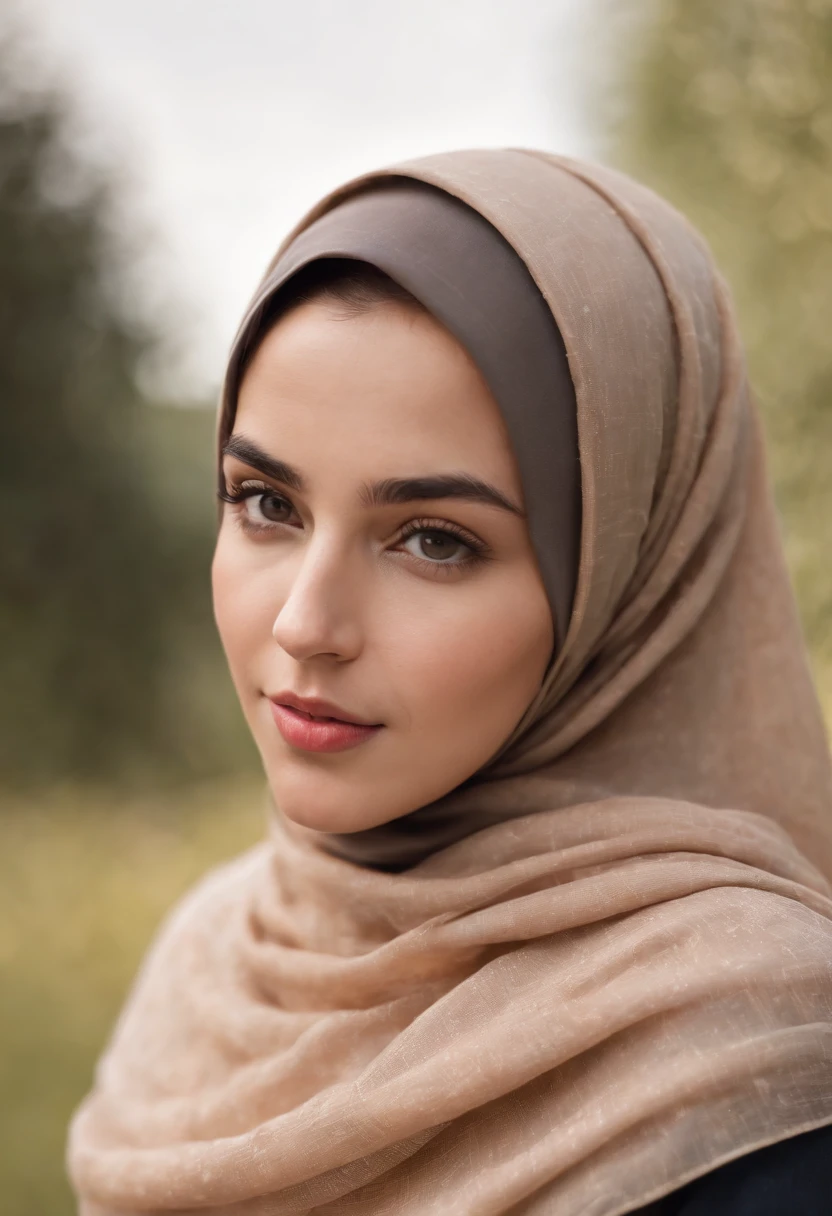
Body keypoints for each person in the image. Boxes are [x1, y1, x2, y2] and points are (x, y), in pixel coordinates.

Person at [67, 150, 832, 1215]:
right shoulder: (212, 955)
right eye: (265, 503)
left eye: (431, 539)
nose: (305, 624)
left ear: (620, 570)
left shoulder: (750, 1043)